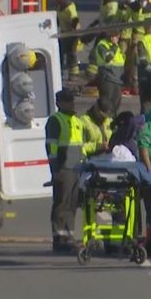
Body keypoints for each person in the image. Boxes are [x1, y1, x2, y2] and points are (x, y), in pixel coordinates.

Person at [45, 89, 85, 251]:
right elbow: (51, 147)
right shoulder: (55, 120)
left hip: (77, 167)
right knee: (62, 203)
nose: (71, 103)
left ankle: (69, 236)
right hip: (64, 168)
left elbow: (80, 145)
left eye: (72, 100)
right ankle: (59, 238)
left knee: (73, 203)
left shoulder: (77, 120)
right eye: (68, 101)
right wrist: (55, 169)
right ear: (59, 103)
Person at [86, 29, 124, 117]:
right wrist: (114, 46)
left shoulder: (116, 46)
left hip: (117, 80)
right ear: (111, 36)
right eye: (117, 37)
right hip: (107, 79)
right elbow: (108, 57)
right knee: (106, 106)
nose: (118, 38)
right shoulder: (102, 45)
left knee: (115, 106)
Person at [54, 0, 81, 79]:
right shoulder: (59, 7)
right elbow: (58, 19)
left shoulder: (69, 6)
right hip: (63, 33)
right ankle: (59, 72)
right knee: (60, 52)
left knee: (71, 54)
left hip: (71, 33)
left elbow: (75, 19)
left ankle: (73, 74)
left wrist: (74, 32)